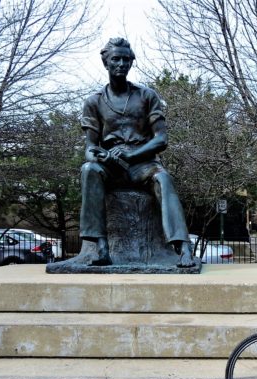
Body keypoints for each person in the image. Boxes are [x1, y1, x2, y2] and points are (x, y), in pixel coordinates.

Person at [79, 37, 194, 267]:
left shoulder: (146, 96)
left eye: (126, 59)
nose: (121, 63)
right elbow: (90, 147)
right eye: (116, 59)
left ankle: (183, 248)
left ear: (131, 63)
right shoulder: (94, 102)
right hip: (112, 167)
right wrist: (99, 156)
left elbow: (161, 139)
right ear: (106, 63)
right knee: (89, 169)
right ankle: (102, 248)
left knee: (163, 178)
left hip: (143, 163)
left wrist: (133, 155)